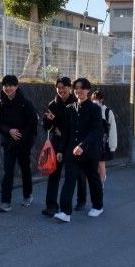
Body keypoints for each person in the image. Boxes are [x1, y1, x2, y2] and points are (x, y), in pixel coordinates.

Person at [55, 78, 104, 223]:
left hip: (89, 151)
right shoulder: (69, 108)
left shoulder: (95, 109)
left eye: (82, 88)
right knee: (69, 179)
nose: (78, 90)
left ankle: (98, 206)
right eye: (76, 88)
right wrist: (61, 150)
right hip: (72, 151)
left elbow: (96, 131)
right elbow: (66, 132)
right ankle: (65, 212)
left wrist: (83, 145)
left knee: (93, 178)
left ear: (88, 90)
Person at [40, 77, 85, 216]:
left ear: (70, 88)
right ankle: (51, 206)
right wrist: (48, 120)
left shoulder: (77, 103)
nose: (61, 90)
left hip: (73, 143)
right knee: (54, 173)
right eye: (58, 88)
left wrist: (63, 129)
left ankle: (81, 200)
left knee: (77, 173)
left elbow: (78, 124)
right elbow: (47, 127)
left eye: (64, 87)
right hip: (57, 143)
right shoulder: (53, 104)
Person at [0, 74, 38, 213]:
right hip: (8, 144)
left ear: (17, 86)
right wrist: (9, 131)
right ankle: (5, 202)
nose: (8, 88)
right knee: (8, 172)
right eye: (5, 85)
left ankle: (27, 195)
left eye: (11, 85)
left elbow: (33, 124)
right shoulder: (1, 104)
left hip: (23, 144)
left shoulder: (26, 103)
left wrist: (21, 136)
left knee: (25, 170)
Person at [90, 89, 117, 182]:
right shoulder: (90, 110)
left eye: (97, 99)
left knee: (101, 163)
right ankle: (95, 182)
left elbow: (112, 130)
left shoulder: (108, 112)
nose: (95, 101)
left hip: (103, 143)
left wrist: (112, 146)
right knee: (92, 163)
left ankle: (101, 182)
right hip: (91, 141)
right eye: (93, 99)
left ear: (102, 100)